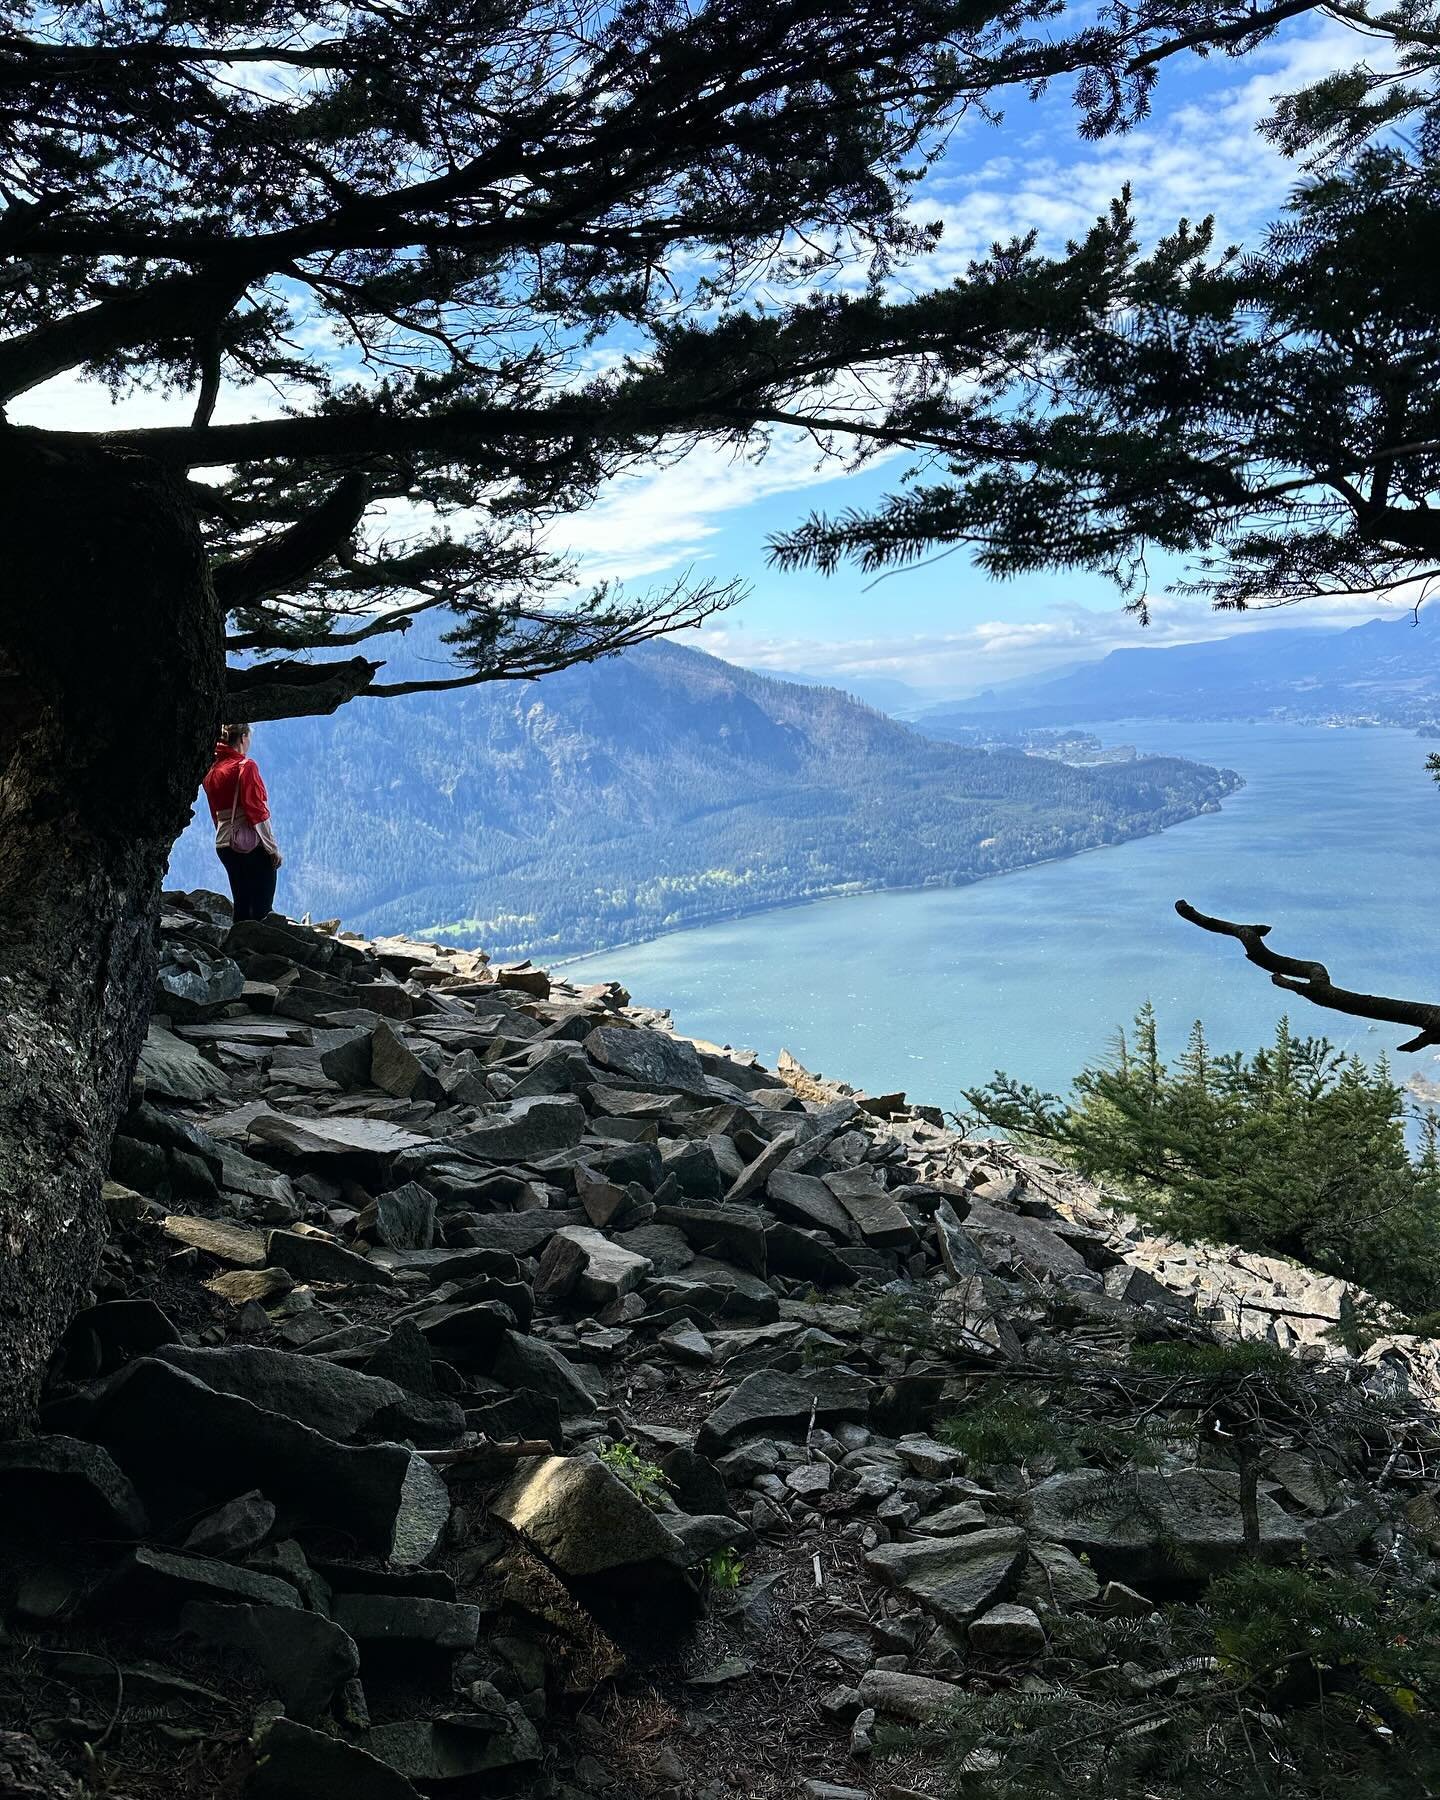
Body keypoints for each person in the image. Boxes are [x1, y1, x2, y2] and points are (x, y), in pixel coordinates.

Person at [202, 723, 283, 922]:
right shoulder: (245, 767)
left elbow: (215, 812)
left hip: (224, 844)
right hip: (248, 844)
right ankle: (257, 947)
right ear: (243, 738)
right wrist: (271, 849)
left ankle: (237, 947)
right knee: (262, 906)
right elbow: (256, 811)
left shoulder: (212, 770)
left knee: (242, 901)